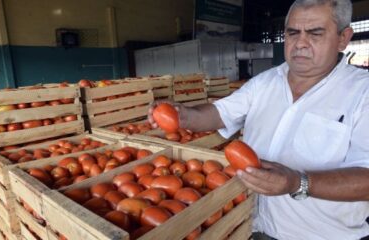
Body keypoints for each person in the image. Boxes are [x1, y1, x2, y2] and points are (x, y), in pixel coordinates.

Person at [148, 0, 369, 239]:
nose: (300, 43)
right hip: (251, 228)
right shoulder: (265, 82)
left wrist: (299, 182)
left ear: (343, 38)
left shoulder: (362, 93)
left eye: (315, 33)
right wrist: (183, 114)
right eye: (292, 33)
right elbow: (219, 113)